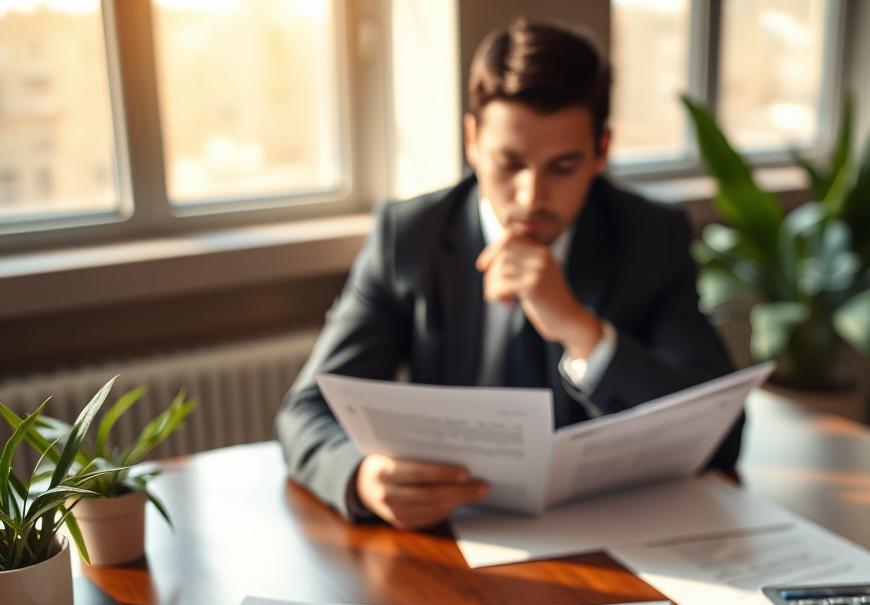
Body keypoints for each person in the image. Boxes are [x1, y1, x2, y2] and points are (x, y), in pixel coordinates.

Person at [276, 18, 743, 530]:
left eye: (562, 167)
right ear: (472, 140)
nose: (531, 197)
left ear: (602, 151)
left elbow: (721, 433)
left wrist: (581, 331)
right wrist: (363, 478)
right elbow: (305, 412)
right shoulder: (408, 238)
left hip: (605, 531)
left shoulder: (650, 236)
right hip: (448, 535)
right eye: (509, 163)